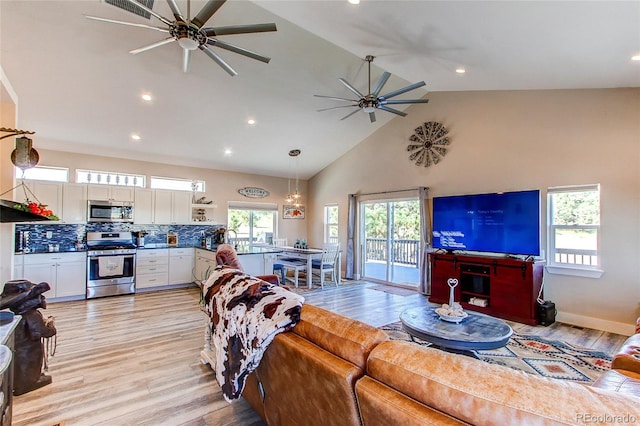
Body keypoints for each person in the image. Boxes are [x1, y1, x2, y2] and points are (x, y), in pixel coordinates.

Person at [0, 280, 57, 395]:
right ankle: (29, 382)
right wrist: (51, 329)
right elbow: (39, 332)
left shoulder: (17, 315)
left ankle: (20, 382)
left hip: (19, 350)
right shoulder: (32, 315)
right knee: (30, 363)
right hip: (29, 351)